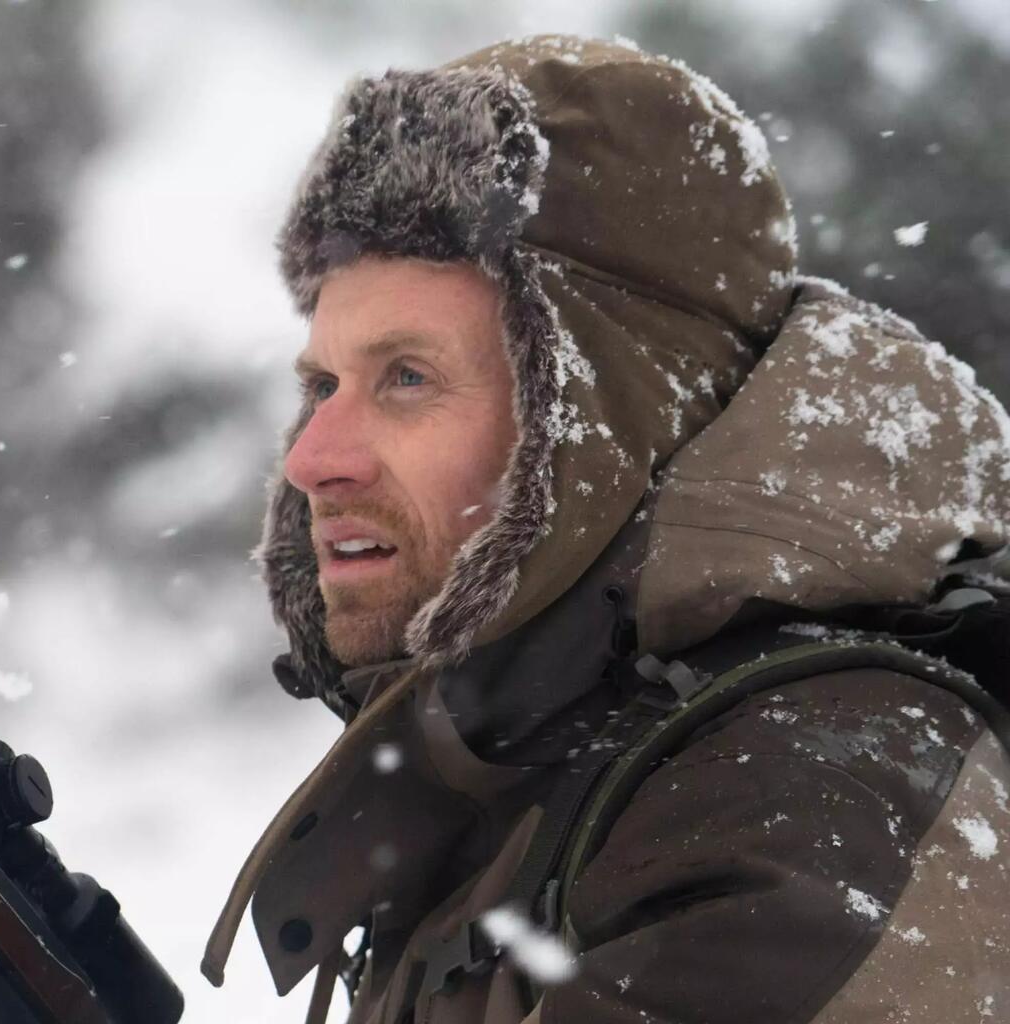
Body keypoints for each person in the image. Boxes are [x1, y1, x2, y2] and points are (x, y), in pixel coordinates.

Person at [203, 34, 1010, 1023]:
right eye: (323, 383)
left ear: (596, 415)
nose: (311, 457)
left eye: (405, 378)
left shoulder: (806, 800)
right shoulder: (549, 741)